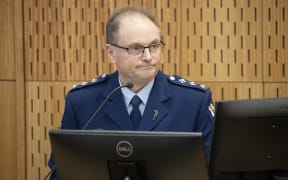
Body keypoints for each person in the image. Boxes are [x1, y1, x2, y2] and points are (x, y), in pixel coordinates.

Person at [47, 6, 215, 179]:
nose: (148, 56)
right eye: (136, 48)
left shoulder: (194, 102)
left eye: (154, 46)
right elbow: (60, 173)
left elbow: (213, 172)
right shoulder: (82, 102)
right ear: (111, 53)